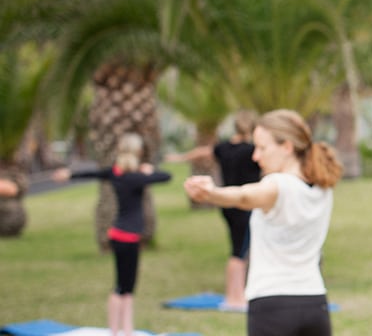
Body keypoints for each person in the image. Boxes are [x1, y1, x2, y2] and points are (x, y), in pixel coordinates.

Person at [183, 109, 341, 336]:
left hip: (272, 307)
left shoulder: (277, 184)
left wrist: (213, 193)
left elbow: (245, 196)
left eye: (262, 148)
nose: (255, 156)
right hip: (315, 303)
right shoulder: (323, 188)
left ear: (287, 147)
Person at [52, 133, 172, 336]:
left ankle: (118, 330)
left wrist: (69, 175)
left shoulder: (115, 173)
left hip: (117, 235)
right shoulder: (136, 177)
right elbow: (166, 176)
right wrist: (149, 170)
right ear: (138, 152)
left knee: (120, 286)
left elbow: (92, 173)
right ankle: (125, 330)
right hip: (130, 238)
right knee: (127, 288)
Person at [167, 110, 261, 310]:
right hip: (244, 205)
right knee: (239, 252)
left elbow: (202, 152)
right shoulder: (253, 151)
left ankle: (237, 294)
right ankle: (235, 297)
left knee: (238, 249)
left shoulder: (224, 147)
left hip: (227, 205)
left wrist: (181, 157)